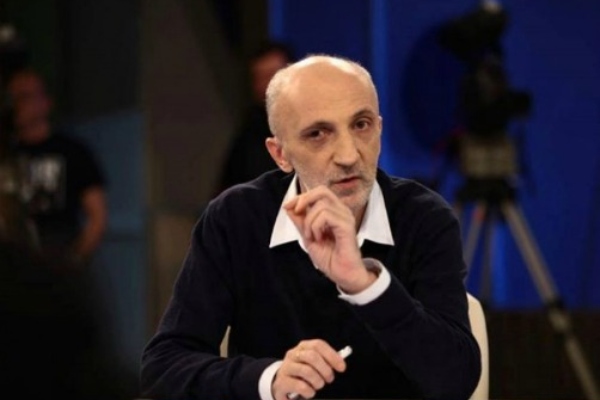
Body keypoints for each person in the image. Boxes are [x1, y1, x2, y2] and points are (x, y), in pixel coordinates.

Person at [141, 55, 481, 400]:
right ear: (280, 154)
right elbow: (164, 369)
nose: (348, 155)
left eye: (361, 125)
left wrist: (365, 285)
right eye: (318, 134)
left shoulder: (424, 218)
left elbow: (456, 380)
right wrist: (270, 380)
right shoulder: (236, 218)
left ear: (379, 129)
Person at [6, 69, 107, 268]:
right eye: (13, 99)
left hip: (58, 262)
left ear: (46, 102)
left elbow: (98, 216)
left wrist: (73, 260)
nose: (18, 105)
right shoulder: (6, 156)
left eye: (25, 96)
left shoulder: (72, 152)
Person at [217, 42, 294, 192]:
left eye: (273, 75)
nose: (267, 85)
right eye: (261, 78)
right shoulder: (248, 134)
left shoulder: (319, 121)